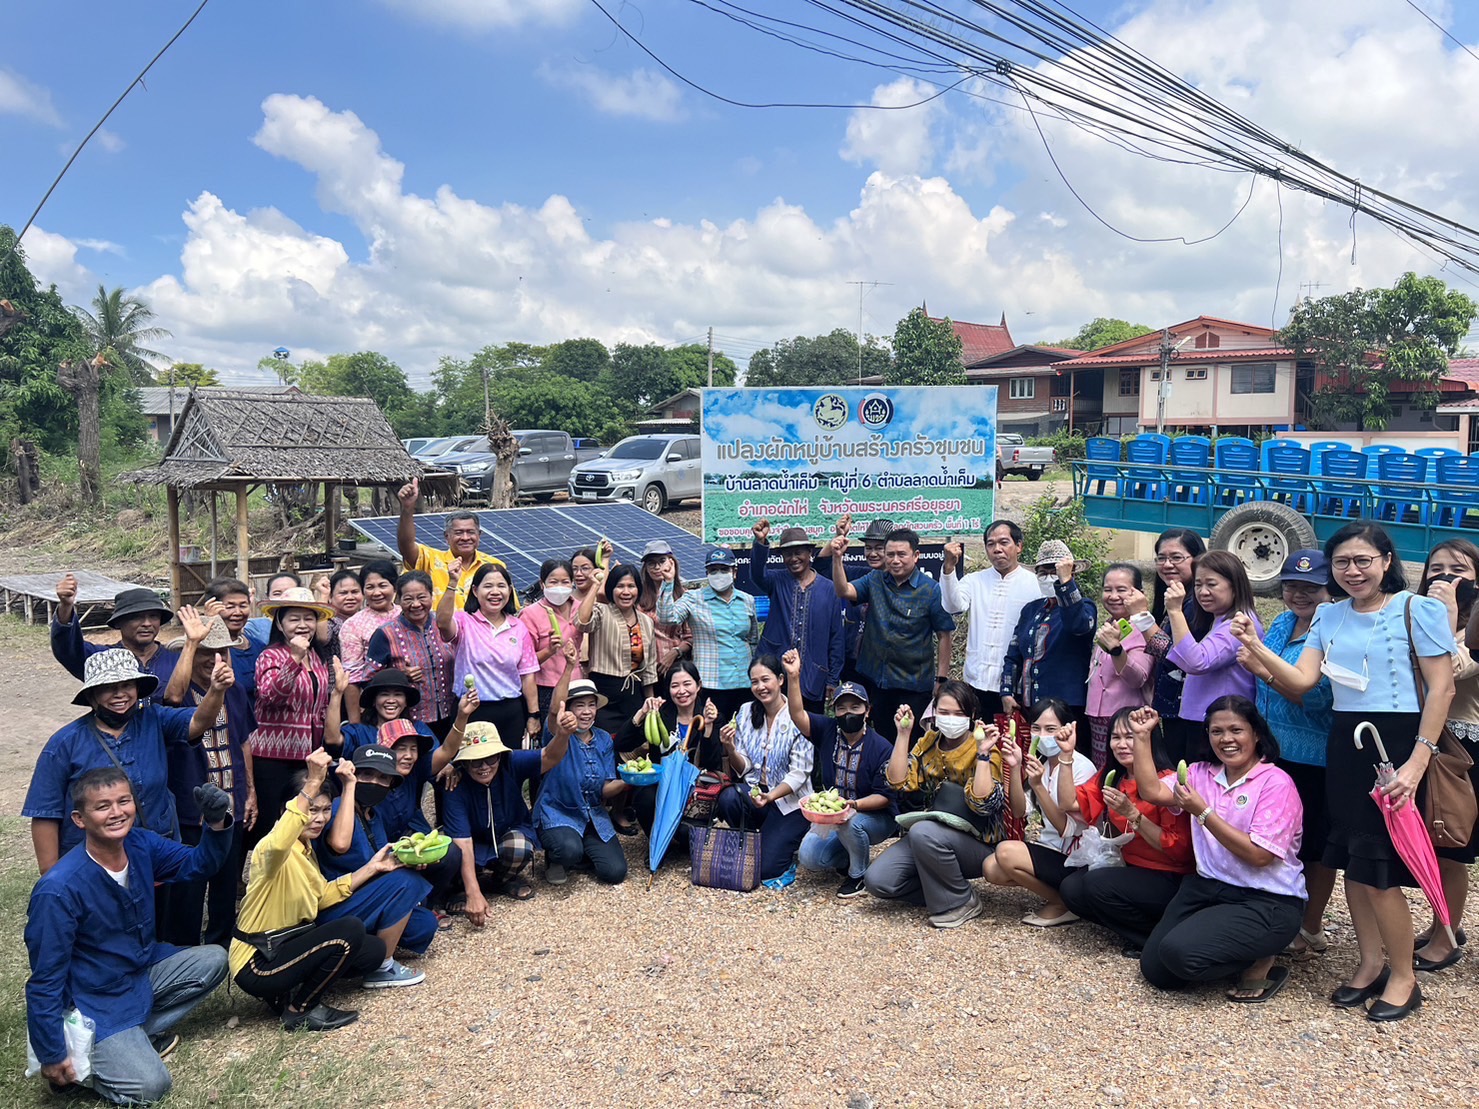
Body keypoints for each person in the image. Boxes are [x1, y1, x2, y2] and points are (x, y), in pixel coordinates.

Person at [1233, 521, 1455, 1020]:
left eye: (1363, 560)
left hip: (1398, 742)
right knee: (1353, 859)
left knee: (1379, 869)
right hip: (1346, 740)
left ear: (1386, 561)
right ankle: (1371, 963)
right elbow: (1302, 680)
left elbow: (1441, 688)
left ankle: (1405, 977)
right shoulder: (1329, 615)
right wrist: (1256, 646)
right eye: (1342, 562)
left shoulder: (1416, 609)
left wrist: (1417, 761)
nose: (1352, 571)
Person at [25, 769, 234, 1105]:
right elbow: (45, 979)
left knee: (215, 959)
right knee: (151, 1086)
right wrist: (52, 1053)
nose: (117, 812)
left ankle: (132, 1035)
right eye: (102, 806)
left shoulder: (140, 843)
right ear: (79, 819)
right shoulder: (58, 890)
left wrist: (216, 823)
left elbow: (198, 864)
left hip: (138, 971)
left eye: (124, 801)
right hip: (95, 1000)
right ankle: (94, 1054)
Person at [1129, 701, 1307, 1003]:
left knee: (1180, 954)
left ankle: (1260, 957)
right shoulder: (1200, 773)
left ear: (1256, 734)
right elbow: (1151, 791)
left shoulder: (1276, 783)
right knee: (1157, 970)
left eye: (1236, 730)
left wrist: (1203, 812)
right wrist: (1142, 736)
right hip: (1207, 887)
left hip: (1266, 898)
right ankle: (1228, 946)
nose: (1226, 739)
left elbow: (1260, 856)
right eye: (1217, 731)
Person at [231, 749, 403, 1031]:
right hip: (258, 962)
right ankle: (300, 1010)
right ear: (289, 811)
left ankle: (288, 989)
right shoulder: (272, 848)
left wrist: (373, 867)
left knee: (372, 950)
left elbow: (322, 896)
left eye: (325, 810)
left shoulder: (306, 849)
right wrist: (312, 782)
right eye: (312, 810)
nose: (320, 818)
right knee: (349, 930)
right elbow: (279, 841)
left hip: (287, 946)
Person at [25, 648, 233, 872]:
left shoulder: (154, 720)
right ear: (92, 696)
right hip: (92, 863)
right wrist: (52, 876)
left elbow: (198, 722)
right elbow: (45, 813)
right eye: (108, 688)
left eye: (127, 685)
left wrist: (216, 690)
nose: (120, 694)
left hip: (156, 853)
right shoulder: (64, 744)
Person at [1236, 550, 1338, 961]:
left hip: (1314, 756)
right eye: (1292, 585)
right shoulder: (1281, 622)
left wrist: (1262, 670)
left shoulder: (1333, 630)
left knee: (1314, 845)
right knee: (1273, 838)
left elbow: (1316, 698)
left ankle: (1310, 926)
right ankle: (1277, 914)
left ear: (1329, 590)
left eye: (1311, 587)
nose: (1299, 594)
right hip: (1271, 751)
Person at [864, 681, 1018, 928]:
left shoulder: (985, 747)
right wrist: (903, 735)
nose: (951, 719)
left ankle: (961, 901)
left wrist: (983, 754)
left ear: (972, 715)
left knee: (922, 831)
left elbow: (984, 805)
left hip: (978, 844)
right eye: (944, 712)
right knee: (879, 880)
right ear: (934, 712)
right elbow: (897, 782)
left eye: (959, 713)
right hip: (930, 837)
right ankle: (945, 889)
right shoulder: (928, 743)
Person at [1058, 707, 1194, 954]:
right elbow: (1069, 803)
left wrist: (1133, 814)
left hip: (1169, 875)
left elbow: (1178, 851)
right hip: (1130, 868)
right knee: (1072, 889)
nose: (1121, 745)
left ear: (1147, 738)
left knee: (1096, 884)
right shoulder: (1113, 776)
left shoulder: (1167, 783)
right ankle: (1145, 930)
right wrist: (1066, 755)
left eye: (1130, 737)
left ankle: (1154, 940)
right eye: (1116, 737)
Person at [158, 611, 256, 948]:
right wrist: (191, 643)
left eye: (222, 652)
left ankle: (221, 946)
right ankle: (183, 950)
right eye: (205, 652)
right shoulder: (180, 691)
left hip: (231, 800)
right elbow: (171, 698)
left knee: (226, 884)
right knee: (188, 883)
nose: (215, 660)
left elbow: (243, 741)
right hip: (190, 807)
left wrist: (250, 791)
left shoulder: (236, 691)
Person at [1408, 539, 1479, 972]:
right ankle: (1442, 924)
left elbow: (1452, 669)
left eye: (1459, 569)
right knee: (1434, 843)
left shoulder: (1473, 624)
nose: (1445, 576)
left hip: (1464, 750)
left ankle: (1446, 937)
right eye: (1436, 568)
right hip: (1429, 742)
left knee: (1451, 844)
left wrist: (1449, 614)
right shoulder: (1415, 613)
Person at [314, 748, 436, 986]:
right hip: (335, 905)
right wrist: (348, 786)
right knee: (408, 883)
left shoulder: (373, 814)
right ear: (353, 774)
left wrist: (408, 861)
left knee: (424, 925)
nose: (374, 783)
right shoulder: (339, 806)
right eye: (367, 774)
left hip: (364, 898)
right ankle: (382, 967)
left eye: (383, 778)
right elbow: (340, 844)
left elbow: (380, 858)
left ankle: (366, 947)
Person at [784, 657, 898, 898]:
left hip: (876, 818)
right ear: (834, 711)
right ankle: (849, 854)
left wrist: (853, 805)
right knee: (810, 857)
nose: (848, 713)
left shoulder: (881, 747)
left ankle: (858, 875)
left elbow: (885, 797)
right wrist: (793, 677)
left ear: (867, 711)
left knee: (852, 823)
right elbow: (797, 715)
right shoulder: (827, 731)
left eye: (855, 707)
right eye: (841, 708)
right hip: (836, 815)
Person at [828, 526, 955, 731]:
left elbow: (944, 635)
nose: (895, 560)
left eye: (901, 554)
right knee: (883, 738)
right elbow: (844, 591)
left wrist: (941, 679)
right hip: (878, 683)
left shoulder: (931, 590)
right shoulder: (875, 579)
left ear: (916, 556)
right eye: (890, 554)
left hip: (913, 686)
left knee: (912, 741)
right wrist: (837, 558)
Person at [983, 700, 1096, 925]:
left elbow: (1067, 829)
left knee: (1005, 852)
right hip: (1050, 849)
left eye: (1051, 729)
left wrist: (1038, 786)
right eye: (1036, 728)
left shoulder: (1082, 767)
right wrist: (1016, 767)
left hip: (1076, 857)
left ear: (1068, 729)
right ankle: (1060, 898)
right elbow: (1019, 811)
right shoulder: (1042, 765)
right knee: (991, 868)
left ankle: (1062, 903)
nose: (1042, 736)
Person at [714, 654, 817, 885]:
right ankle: (758, 838)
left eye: (765, 679)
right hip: (756, 794)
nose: (760, 687)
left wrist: (770, 796)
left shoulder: (798, 716)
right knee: (728, 798)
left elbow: (799, 774)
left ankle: (782, 842)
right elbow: (744, 767)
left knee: (766, 870)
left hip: (790, 804)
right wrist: (730, 748)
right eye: (754, 682)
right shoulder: (745, 711)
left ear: (780, 680)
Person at [443, 721, 557, 913]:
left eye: (491, 758)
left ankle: (501, 881)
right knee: (451, 852)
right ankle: (461, 887)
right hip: (471, 842)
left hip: (507, 834)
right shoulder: (454, 783)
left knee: (520, 846)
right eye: (475, 761)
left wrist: (563, 734)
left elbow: (550, 756)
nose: (484, 766)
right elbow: (463, 841)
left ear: (500, 756)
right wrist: (473, 893)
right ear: (464, 763)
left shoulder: (511, 763)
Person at [247, 587, 335, 832]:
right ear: (280, 623)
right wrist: (294, 659)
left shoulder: (317, 656)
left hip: (307, 755)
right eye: (294, 619)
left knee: (302, 820)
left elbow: (320, 704)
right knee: (270, 822)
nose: (303, 625)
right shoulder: (270, 656)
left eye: (309, 619)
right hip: (272, 755)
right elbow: (270, 697)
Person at [1164, 551, 1262, 765]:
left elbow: (1197, 661)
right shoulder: (1220, 620)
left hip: (1223, 724)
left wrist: (1175, 611)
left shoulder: (1239, 624)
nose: (1203, 592)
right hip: (1205, 719)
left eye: (1211, 584)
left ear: (1235, 587)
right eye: (1198, 585)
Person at [940, 520, 1042, 719]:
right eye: (991, 544)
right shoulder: (974, 580)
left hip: (1016, 686)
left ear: (1019, 546)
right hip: (977, 681)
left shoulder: (1035, 584)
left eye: (1004, 542)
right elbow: (953, 606)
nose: (997, 549)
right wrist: (949, 568)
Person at [533, 679, 629, 885]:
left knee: (615, 872)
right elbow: (553, 712)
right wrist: (569, 667)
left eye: (591, 705)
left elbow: (605, 789)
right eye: (579, 705)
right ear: (568, 709)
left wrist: (629, 782)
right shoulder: (558, 734)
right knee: (568, 851)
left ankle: (580, 850)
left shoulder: (603, 739)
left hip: (592, 815)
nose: (587, 712)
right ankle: (556, 857)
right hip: (558, 812)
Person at [437, 560, 541, 749]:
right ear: (475, 591)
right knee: (470, 763)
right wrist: (452, 583)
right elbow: (443, 624)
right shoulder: (464, 621)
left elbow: (527, 675)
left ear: (509, 591)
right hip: (471, 711)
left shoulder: (518, 627)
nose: (495, 592)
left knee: (508, 763)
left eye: (501, 586)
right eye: (488, 586)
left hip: (510, 713)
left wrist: (533, 715)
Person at [748, 522, 845, 713]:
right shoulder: (777, 581)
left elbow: (836, 638)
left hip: (812, 676)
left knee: (809, 727)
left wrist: (833, 679)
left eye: (798, 552)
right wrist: (760, 543)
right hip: (775, 673)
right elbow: (757, 574)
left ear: (810, 553)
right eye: (788, 554)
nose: (793, 558)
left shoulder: (829, 589)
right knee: (771, 723)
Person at [654, 547, 758, 723]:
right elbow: (667, 618)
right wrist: (669, 583)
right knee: (712, 732)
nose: (719, 574)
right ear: (707, 574)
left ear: (734, 572)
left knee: (744, 731)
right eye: (713, 570)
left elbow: (753, 639)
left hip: (744, 683)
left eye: (724, 569)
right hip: (711, 685)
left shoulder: (747, 600)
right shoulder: (693, 598)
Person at [1000, 541, 1096, 721]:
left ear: (1072, 574)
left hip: (1067, 707)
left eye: (1055, 571)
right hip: (1031, 705)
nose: (1048, 577)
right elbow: (1014, 655)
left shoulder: (1085, 607)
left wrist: (1065, 583)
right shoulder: (1031, 610)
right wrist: (1006, 691)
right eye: (1043, 573)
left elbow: (1078, 625)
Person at [628, 662, 723, 840]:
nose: (681, 691)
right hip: (662, 782)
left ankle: (679, 837)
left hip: (695, 786)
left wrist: (709, 727)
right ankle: (658, 842)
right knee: (643, 796)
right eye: (675, 686)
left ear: (698, 685)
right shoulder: (661, 715)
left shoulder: (709, 714)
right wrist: (642, 713)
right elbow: (623, 744)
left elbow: (713, 764)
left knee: (687, 835)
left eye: (687, 684)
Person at [364, 571, 458, 733]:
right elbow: (368, 680)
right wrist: (399, 676)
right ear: (398, 600)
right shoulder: (386, 634)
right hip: (410, 724)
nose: (416, 604)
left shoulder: (445, 625)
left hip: (453, 715)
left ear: (431, 596)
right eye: (408, 599)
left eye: (422, 597)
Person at [577, 564, 659, 746]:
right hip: (604, 694)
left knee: (632, 746)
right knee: (604, 744)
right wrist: (594, 585)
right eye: (620, 586)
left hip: (633, 696)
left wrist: (650, 701)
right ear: (611, 589)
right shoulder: (601, 612)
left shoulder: (646, 621)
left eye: (631, 586)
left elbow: (650, 668)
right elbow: (582, 622)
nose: (626, 592)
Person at [395, 477, 506, 608]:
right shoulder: (431, 560)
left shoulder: (494, 566)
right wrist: (407, 509)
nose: (465, 537)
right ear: (447, 537)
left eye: (470, 532)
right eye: (458, 533)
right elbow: (406, 545)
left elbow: (508, 606)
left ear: (479, 535)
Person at [1085, 563, 1155, 767]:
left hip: (1127, 720)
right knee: (1102, 773)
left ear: (1139, 594)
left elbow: (1138, 678)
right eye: (1108, 589)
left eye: (1121, 590)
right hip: (1097, 718)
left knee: (1126, 773)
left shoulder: (1144, 629)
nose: (1113, 596)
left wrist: (1117, 650)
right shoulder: (1109, 624)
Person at [51, 577, 178, 689]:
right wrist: (65, 606)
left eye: (153, 616)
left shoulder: (177, 658)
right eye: (136, 617)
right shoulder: (102, 660)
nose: (147, 623)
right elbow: (67, 648)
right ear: (118, 622)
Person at [1145, 528, 1207, 757]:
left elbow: (1173, 656)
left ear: (1197, 559)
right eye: (1161, 558)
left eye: (1176, 557)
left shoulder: (1198, 604)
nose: (1167, 564)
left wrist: (1142, 619)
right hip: (1171, 706)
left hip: (1191, 711)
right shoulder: (1174, 598)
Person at [518, 558, 582, 719]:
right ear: (542, 584)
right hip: (546, 688)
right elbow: (524, 664)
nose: (559, 587)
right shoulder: (530, 614)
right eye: (553, 582)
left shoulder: (580, 608)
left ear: (572, 583)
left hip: (577, 686)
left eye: (565, 582)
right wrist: (549, 651)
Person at [638, 540, 693, 678]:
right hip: (645, 667)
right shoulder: (638, 596)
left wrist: (675, 652)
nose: (657, 567)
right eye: (651, 563)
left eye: (662, 561)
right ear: (646, 568)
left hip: (674, 666)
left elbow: (690, 637)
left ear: (671, 562)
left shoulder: (684, 596)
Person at [200, 576, 262, 696]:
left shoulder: (260, 646)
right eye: (229, 607)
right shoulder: (204, 653)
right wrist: (211, 623)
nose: (238, 612)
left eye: (243, 606)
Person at [341, 561, 400, 685]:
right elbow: (352, 676)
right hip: (375, 691)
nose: (376, 593)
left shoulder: (406, 615)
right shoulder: (353, 625)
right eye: (370, 587)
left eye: (382, 585)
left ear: (394, 587)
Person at [244, 571, 302, 647]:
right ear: (268, 596)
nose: (283, 598)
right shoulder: (255, 626)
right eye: (277, 594)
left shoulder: (309, 623)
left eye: (290, 593)